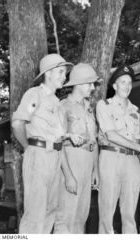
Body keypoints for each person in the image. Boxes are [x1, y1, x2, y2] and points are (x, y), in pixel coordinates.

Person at [12, 53, 78, 234]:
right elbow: (17, 123)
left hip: (55, 158)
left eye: (65, 73)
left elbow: (58, 138)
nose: (64, 77)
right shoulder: (35, 94)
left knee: (50, 210)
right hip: (38, 156)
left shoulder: (58, 103)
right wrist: (27, 147)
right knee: (35, 214)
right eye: (61, 72)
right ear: (48, 73)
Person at [96, 65, 140, 234]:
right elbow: (112, 135)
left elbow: (136, 138)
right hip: (111, 158)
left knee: (130, 213)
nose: (127, 86)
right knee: (107, 212)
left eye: (129, 83)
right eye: (122, 82)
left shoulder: (135, 110)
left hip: (132, 162)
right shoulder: (104, 105)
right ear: (114, 86)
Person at [54, 63, 100, 233]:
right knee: (65, 216)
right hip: (70, 161)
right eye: (90, 84)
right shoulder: (63, 106)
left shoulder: (88, 108)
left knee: (81, 216)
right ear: (79, 84)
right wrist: (68, 176)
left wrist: (95, 170)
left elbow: (93, 141)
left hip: (87, 163)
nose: (93, 88)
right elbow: (58, 144)